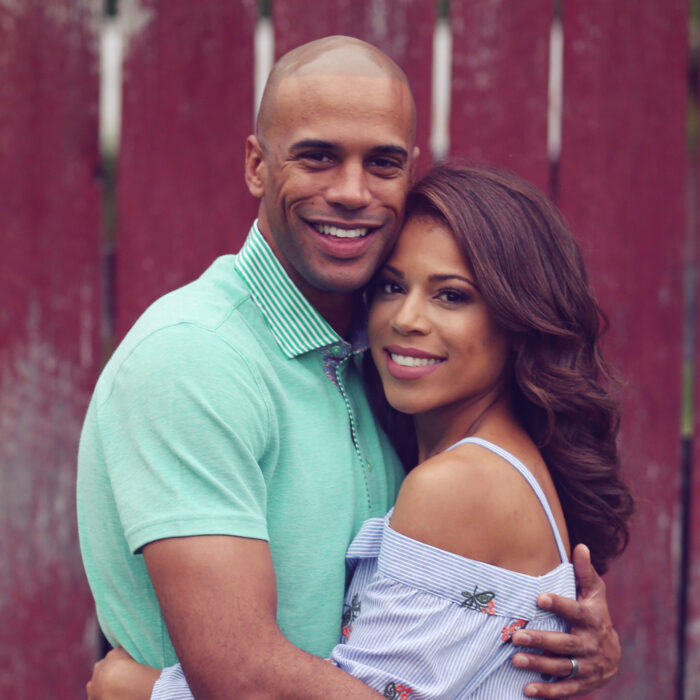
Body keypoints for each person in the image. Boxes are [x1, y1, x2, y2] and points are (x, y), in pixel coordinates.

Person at [78, 36, 623, 700]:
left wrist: (135, 690)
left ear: (409, 172)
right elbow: (240, 678)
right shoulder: (194, 359)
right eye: (318, 157)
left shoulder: (389, 364)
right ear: (257, 165)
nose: (351, 192)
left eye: (382, 163)